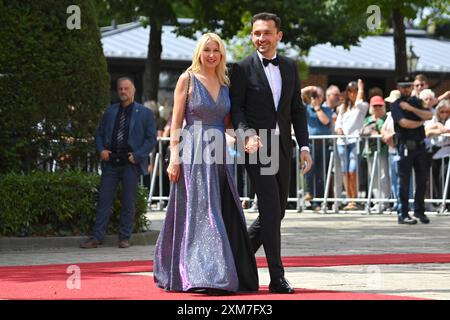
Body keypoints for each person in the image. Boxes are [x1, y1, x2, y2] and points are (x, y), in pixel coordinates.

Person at [153, 33, 259, 294]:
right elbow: (176, 123)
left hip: (219, 152)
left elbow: (227, 124)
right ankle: (205, 275)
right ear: (199, 52)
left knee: (219, 208)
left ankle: (213, 271)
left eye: (217, 51)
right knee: (203, 210)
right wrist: (173, 158)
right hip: (192, 150)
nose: (212, 55)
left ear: (222, 55)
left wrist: (249, 138)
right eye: (207, 50)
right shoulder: (186, 79)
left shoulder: (225, 83)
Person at [230, 12, 312, 294]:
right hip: (258, 146)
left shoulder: (290, 66)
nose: (261, 38)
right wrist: (247, 135)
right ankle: (277, 278)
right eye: (256, 34)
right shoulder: (241, 68)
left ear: (279, 35)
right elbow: (236, 110)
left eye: (267, 33)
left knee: (277, 212)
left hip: (283, 147)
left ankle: (235, 259)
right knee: (269, 208)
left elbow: (297, 111)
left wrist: (304, 146)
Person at [80, 78, 157, 249]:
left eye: (126, 88)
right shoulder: (110, 112)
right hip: (111, 162)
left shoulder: (144, 113)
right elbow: (99, 134)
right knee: (103, 200)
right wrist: (101, 150)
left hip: (130, 163)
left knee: (128, 201)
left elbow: (151, 139)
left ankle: (124, 238)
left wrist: (136, 156)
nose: (123, 91)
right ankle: (96, 237)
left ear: (134, 90)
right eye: (120, 88)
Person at [391, 76, 433, 225]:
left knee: (422, 180)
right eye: (403, 87)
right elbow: (404, 123)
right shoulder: (396, 105)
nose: (406, 89)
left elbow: (429, 114)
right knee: (404, 181)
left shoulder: (416, 102)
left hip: (420, 146)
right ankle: (402, 214)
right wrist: (420, 121)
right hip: (405, 147)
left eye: (408, 86)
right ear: (399, 88)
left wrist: (411, 109)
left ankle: (419, 210)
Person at [335, 80, 369, 210]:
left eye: (355, 91)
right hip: (342, 142)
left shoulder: (362, 106)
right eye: (350, 91)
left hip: (355, 141)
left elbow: (359, 103)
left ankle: (354, 199)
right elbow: (338, 122)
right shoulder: (343, 107)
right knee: (344, 171)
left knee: (352, 170)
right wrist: (338, 129)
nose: (353, 94)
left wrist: (361, 89)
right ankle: (350, 199)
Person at [302, 86, 333, 211]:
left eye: (318, 96)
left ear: (322, 98)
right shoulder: (306, 108)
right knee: (309, 171)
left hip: (323, 144)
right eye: (314, 96)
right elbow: (295, 97)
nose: (316, 98)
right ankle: (309, 193)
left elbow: (325, 121)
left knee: (321, 174)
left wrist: (317, 108)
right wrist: (308, 89)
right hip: (310, 144)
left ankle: (318, 202)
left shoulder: (326, 109)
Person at [361, 96, 390, 213]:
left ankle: (385, 202)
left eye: (379, 105)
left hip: (383, 151)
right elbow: (362, 132)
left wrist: (377, 131)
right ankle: (377, 201)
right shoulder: (368, 119)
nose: (377, 108)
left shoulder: (387, 118)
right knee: (373, 177)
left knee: (383, 176)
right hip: (370, 152)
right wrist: (370, 130)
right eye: (375, 106)